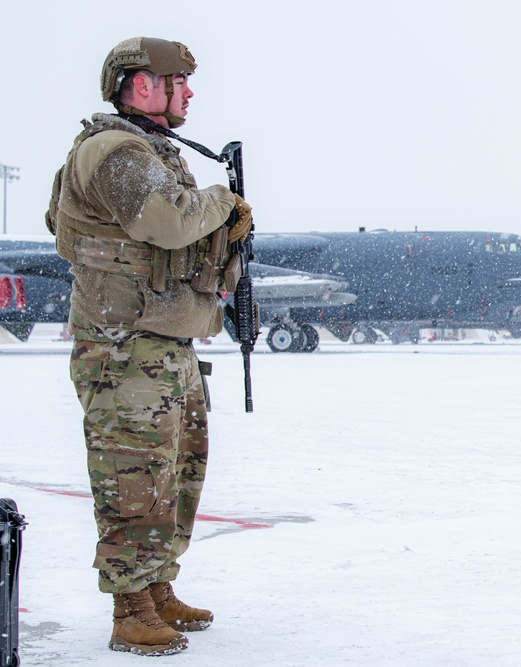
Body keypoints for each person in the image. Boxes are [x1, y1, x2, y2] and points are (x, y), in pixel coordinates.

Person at [44, 37, 252, 657]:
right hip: (124, 347)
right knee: (132, 477)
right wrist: (224, 202)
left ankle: (156, 586)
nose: (188, 92)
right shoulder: (114, 150)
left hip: (165, 343)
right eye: (177, 81)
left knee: (177, 474)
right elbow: (166, 221)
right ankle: (129, 608)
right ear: (141, 85)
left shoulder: (154, 152)